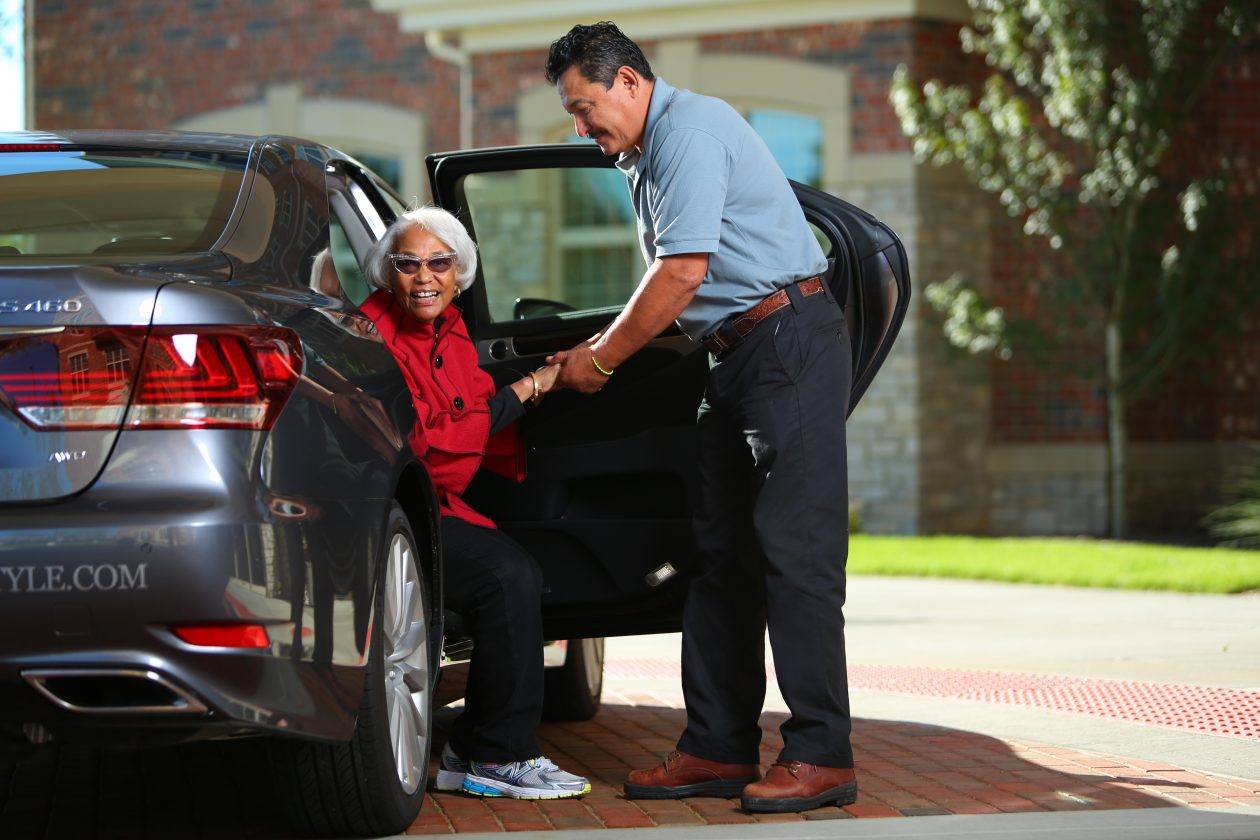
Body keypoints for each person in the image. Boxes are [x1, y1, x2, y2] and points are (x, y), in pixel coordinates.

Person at [543, 23, 856, 813]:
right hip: (733, 354)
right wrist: (594, 345)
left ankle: (823, 756)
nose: (581, 128)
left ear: (627, 81)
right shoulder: (643, 157)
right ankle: (717, 747)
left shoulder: (690, 130)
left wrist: (604, 360)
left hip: (786, 341)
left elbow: (682, 271)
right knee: (720, 556)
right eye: (573, 115)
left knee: (796, 552)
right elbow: (679, 283)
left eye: (585, 108)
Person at [358, 207, 590, 800]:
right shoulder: (372, 333)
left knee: (521, 574)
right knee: (504, 577)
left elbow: (470, 399)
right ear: (389, 274)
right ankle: (498, 755)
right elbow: (435, 438)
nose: (425, 277)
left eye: (440, 263)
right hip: (392, 505)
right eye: (408, 265)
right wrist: (536, 385)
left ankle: (474, 747)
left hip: (437, 503)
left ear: (460, 273)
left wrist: (541, 378)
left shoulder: (453, 328)